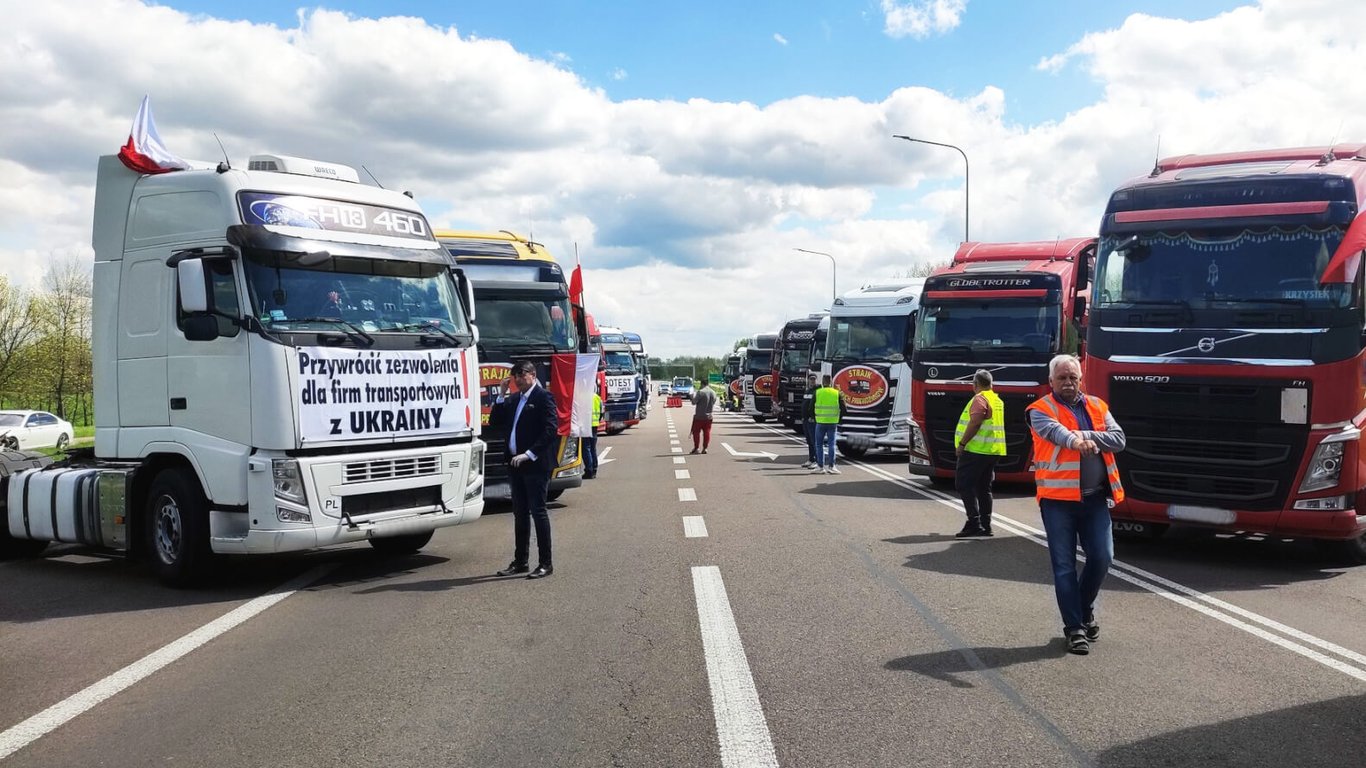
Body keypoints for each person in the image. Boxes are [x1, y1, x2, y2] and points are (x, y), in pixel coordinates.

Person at [1026, 354, 1126, 655]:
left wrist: (1083, 435)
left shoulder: (1097, 405)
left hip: (1094, 498)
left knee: (1102, 556)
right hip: (1058, 502)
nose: (1068, 383)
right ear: (1051, 381)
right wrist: (1077, 441)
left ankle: (1083, 610)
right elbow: (1056, 433)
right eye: (1062, 378)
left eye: (1073, 377)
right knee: (1064, 566)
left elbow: (1118, 439)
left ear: (1081, 379)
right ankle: (1074, 628)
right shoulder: (1040, 410)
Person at [489, 360, 560, 580]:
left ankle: (545, 563)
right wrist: (500, 395)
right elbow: (495, 422)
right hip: (515, 465)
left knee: (538, 512)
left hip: (535, 465)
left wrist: (529, 453)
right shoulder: (513, 399)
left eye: (521, 375)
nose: (518, 380)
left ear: (532, 374)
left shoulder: (543, 397)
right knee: (519, 514)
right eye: (515, 376)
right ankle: (520, 561)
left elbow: (551, 430)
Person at [954, 369, 1006, 538]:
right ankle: (986, 525)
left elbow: (975, 422)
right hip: (992, 451)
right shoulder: (996, 400)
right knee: (984, 488)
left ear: (975, 385)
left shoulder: (980, 399)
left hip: (976, 450)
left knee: (963, 484)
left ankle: (974, 523)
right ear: (991, 385)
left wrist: (962, 444)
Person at [811, 375, 845, 475]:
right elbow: (844, 408)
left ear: (822, 382)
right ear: (831, 382)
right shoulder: (837, 393)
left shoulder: (817, 392)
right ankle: (832, 466)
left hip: (820, 422)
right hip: (833, 422)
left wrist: (814, 417)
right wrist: (838, 418)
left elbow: (810, 407)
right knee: (831, 444)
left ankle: (820, 466)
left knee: (819, 445)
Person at [690, 380, 718, 454]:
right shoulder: (713, 392)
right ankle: (705, 448)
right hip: (709, 417)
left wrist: (692, 397)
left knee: (696, 432)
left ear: (702, 384)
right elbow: (714, 402)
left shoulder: (700, 392)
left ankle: (696, 448)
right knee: (707, 432)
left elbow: (694, 402)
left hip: (699, 416)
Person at [800, 374, 819, 469]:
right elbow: (804, 404)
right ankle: (811, 459)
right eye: (810, 379)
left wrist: (813, 416)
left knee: (814, 440)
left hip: (812, 420)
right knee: (809, 440)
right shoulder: (807, 391)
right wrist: (803, 417)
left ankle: (816, 460)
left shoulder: (817, 391)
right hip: (805, 419)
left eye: (813, 379)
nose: (812, 381)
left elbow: (815, 405)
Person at [584, 390, 602, 479]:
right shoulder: (597, 397)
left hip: (586, 425)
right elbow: (602, 411)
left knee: (586, 448)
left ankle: (589, 470)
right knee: (593, 448)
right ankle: (594, 469)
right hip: (594, 425)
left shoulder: (583, 397)